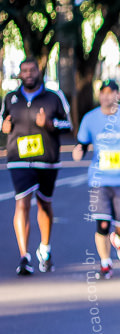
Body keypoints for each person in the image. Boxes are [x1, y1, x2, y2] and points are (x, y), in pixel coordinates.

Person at [1, 58, 72, 275]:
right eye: (24, 70)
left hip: (47, 160)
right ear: (20, 74)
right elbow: (2, 122)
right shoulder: (10, 98)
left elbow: (67, 124)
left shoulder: (53, 97)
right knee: (21, 202)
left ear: (38, 72)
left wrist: (48, 124)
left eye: (32, 70)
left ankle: (45, 246)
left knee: (44, 204)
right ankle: (25, 256)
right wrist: (4, 127)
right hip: (18, 159)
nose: (28, 73)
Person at [73, 80, 120, 279]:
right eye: (103, 93)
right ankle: (105, 263)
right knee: (102, 224)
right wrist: (79, 150)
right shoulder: (90, 118)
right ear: (100, 96)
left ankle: (119, 240)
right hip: (99, 179)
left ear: (117, 95)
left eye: (110, 93)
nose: (106, 96)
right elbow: (83, 142)